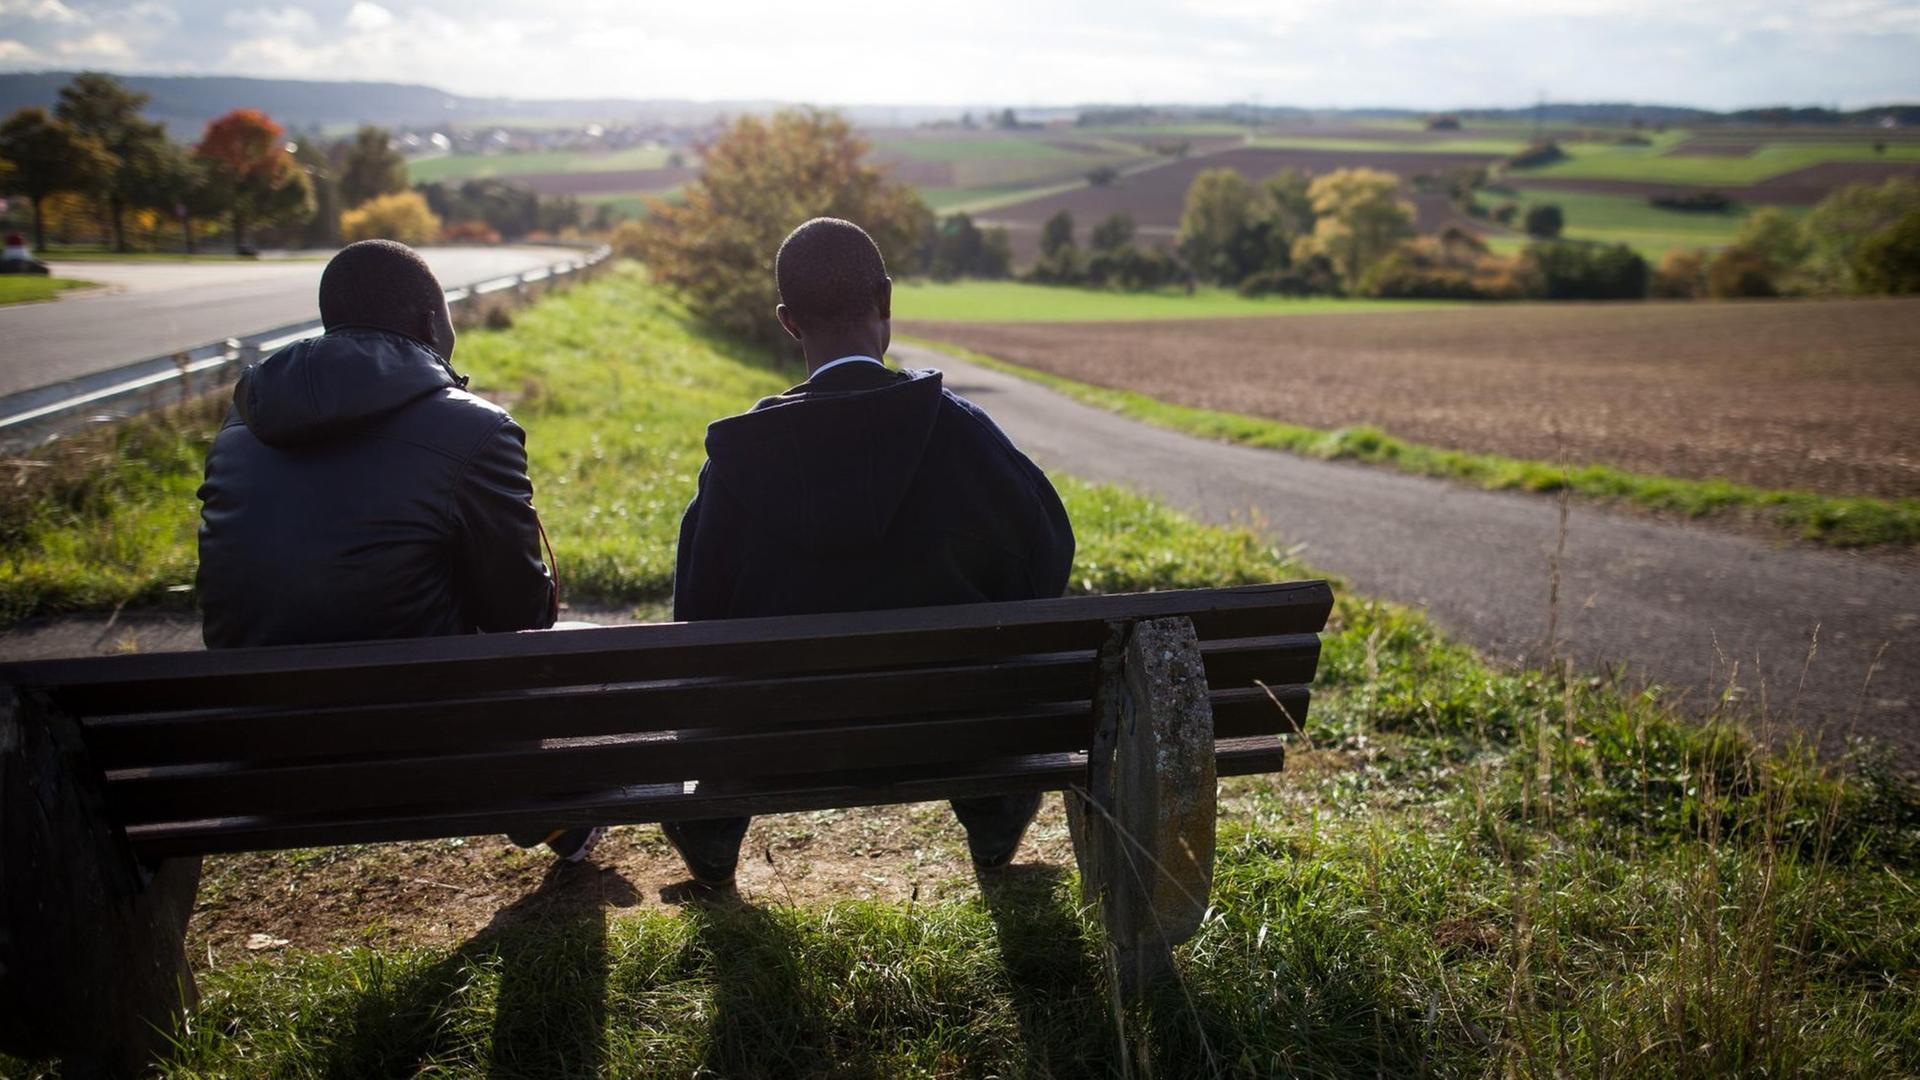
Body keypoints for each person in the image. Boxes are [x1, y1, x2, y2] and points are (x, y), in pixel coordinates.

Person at [666, 217, 1076, 887]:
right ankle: (993, 809)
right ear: (885, 301)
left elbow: (697, 613)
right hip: (951, 727)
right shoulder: (964, 435)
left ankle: (712, 831)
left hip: (775, 743)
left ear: (788, 322)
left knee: (718, 684)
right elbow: (1048, 553)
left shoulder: (740, 459)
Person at [195, 239, 598, 861]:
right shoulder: (474, 429)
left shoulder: (240, 428)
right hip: (424, 744)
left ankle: (547, 813)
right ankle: (549, 815)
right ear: (433, 323)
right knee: (575, 672)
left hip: (264, 741)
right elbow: (521, 617)